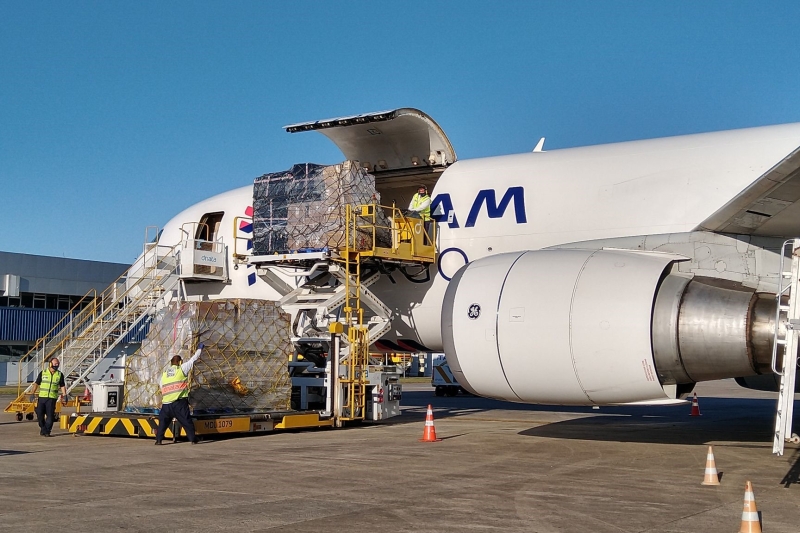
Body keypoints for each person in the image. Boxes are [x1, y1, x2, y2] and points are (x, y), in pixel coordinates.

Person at [155, 343, 204, 445]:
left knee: (163, 423)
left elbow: (161, 386)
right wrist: (199, 349)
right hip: (179, 403)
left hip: (166, 404)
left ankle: (159, 440)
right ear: (179, 362)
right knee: (186, 421)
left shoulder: (164, 374)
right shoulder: (181, 369)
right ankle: (193, 439)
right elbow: (193, 359)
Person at [31, 358, 66, 437]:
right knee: (40, 414)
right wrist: (32, 393)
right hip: (42, 397)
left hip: (51, 398)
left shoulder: (59, 374)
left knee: (50, 416)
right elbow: (36, 384)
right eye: (55, 364)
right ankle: (43, 428)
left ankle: (47, 431)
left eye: (57, 364)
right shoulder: (43, 373)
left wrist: (65, 394)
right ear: (50, 364)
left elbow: (62, 385)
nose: (56, 366)